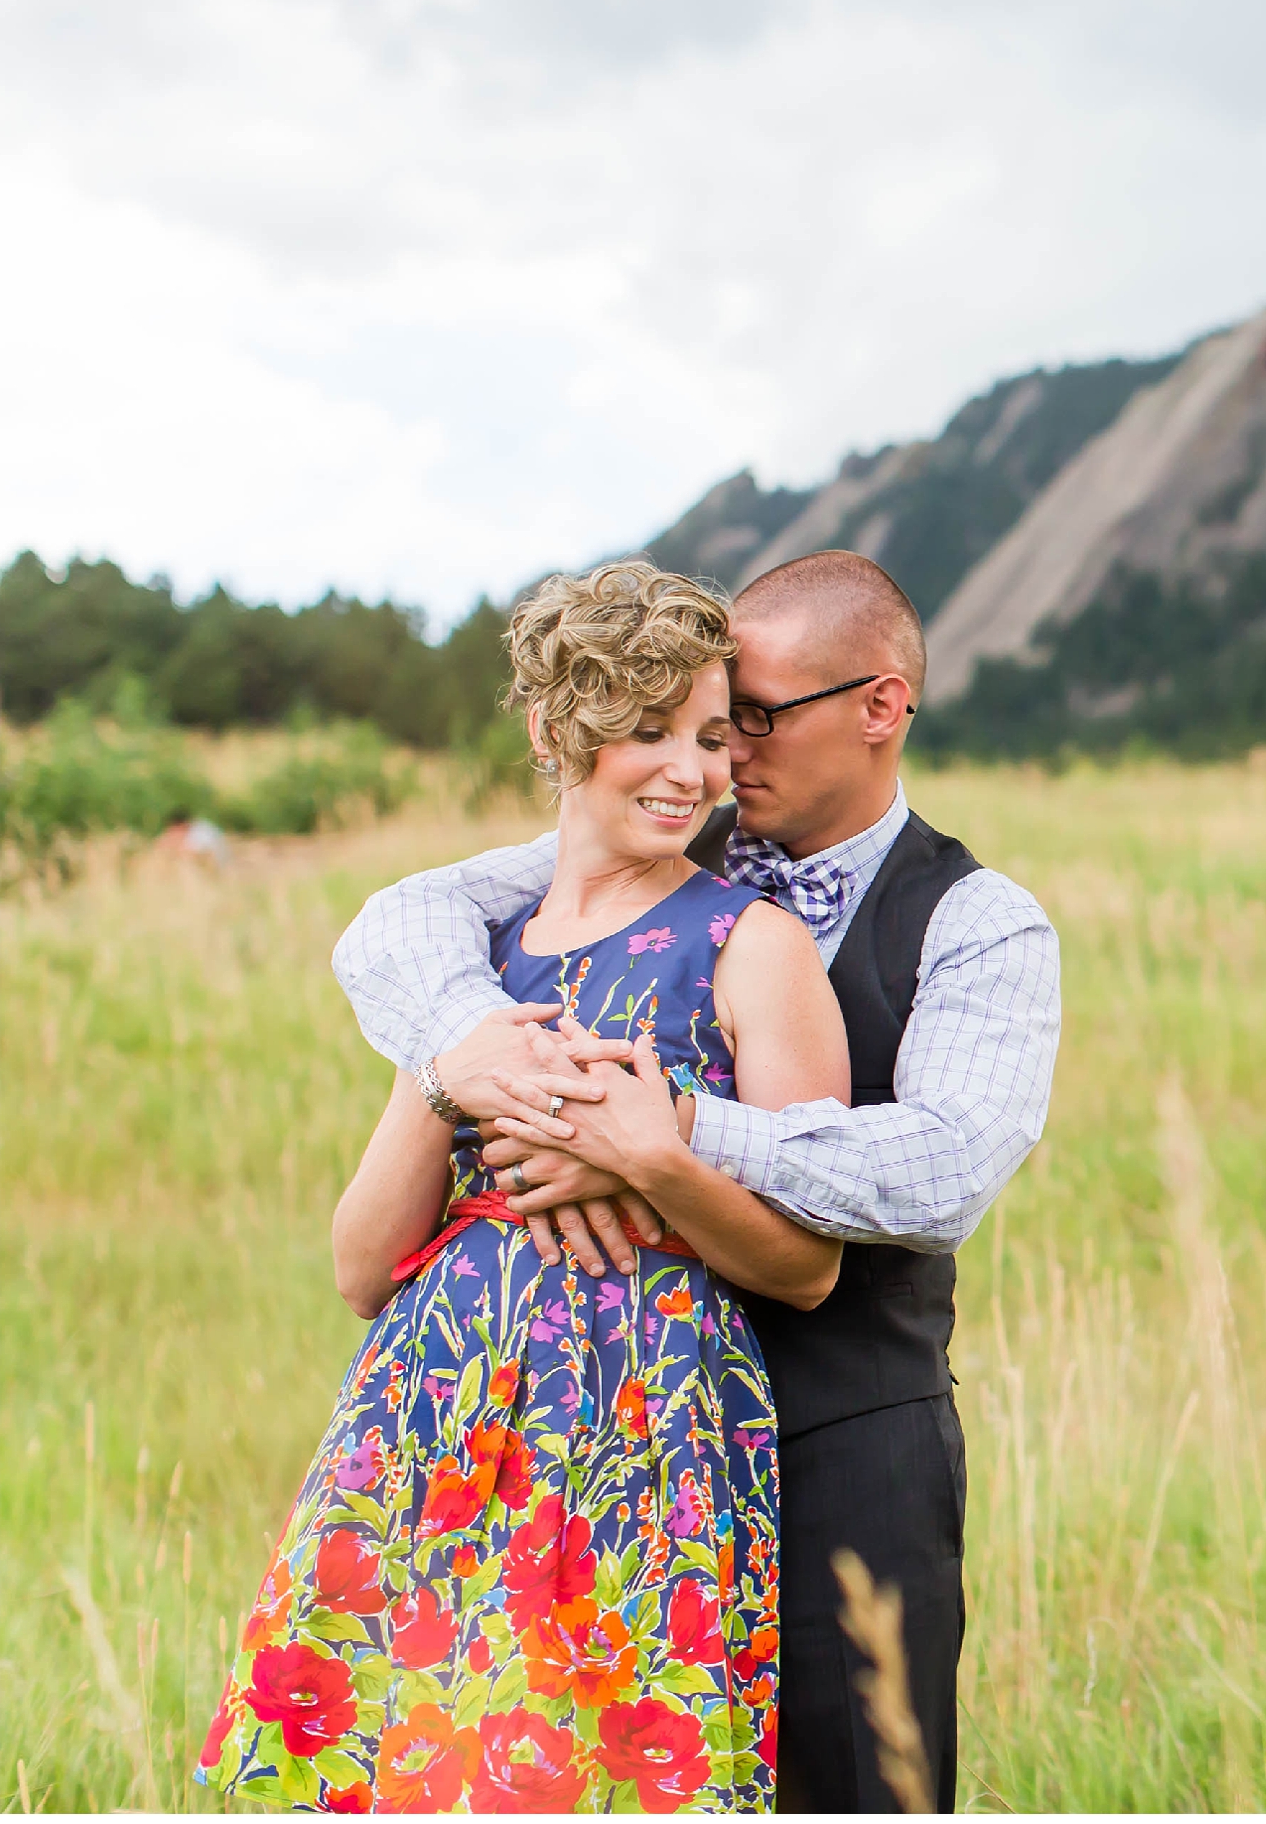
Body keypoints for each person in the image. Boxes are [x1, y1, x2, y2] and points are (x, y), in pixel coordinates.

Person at [327, 548, 1061, 1812]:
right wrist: (478, 1059)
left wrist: (656, 1135)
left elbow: (941, 1172)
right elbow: (404, 924)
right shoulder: (643, 847)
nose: (725, 758)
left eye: (751, 720)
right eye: (710, 721)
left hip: (842, 1432)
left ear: (881, 707)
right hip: (571, 1441)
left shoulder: (979, 922)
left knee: (852, 1786)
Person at [203, 560, 850, 1811]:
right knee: (399, 1771)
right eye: (645, 730)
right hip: (429, 1432)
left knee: (588, 1780)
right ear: (559, 735)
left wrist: (652, 1160)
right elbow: (357, 1267)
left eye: (710, 736)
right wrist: (453, 1083)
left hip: (640, 1436)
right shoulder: (469, 964)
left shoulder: (750, 948)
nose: (689, 770)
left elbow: (807, 1265)